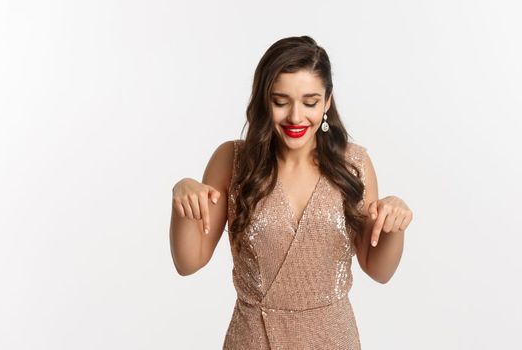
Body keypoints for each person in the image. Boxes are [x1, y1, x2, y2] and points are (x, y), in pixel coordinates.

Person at [169, 35, 413, 349]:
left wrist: (394, 223)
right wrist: (182, 199)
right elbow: (188, 262)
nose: (296, 117)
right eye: (281, 101)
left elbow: (379, 270)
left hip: (332, 339)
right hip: (254, 339)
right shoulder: (232, 160)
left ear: (327, 101)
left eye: (310, 102)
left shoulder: (355, 164)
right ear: (263, 100)